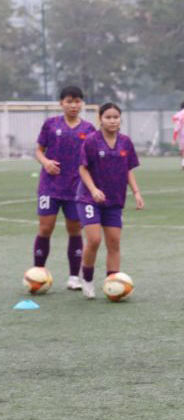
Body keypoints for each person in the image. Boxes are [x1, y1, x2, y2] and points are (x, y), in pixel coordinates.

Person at [76, 102, 144, 299]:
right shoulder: (91, 141)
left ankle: (112, 283)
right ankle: (87, 278)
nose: (112, 120)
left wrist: (136, 192)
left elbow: (128, 169)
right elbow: (83, 168)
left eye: (116, 117)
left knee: (114, 243)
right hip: (89, 198)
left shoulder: (126, 142)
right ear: (100, 119)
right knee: (94, 240)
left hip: (114, 199)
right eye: (108, 117)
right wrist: (94, 189)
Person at [33, 86, 96, 290]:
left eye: (77, 101)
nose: (73, 105)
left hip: (76, 188)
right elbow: (38, 150)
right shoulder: (51, 125)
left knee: (74, 230)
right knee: (45, 228)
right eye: (69, 101)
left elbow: (92, 158)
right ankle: (38, 272)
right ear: (61, 103)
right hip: (50, 186)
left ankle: (73, 277)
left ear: (82, 104)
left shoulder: (88, 130)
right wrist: (45, 162)